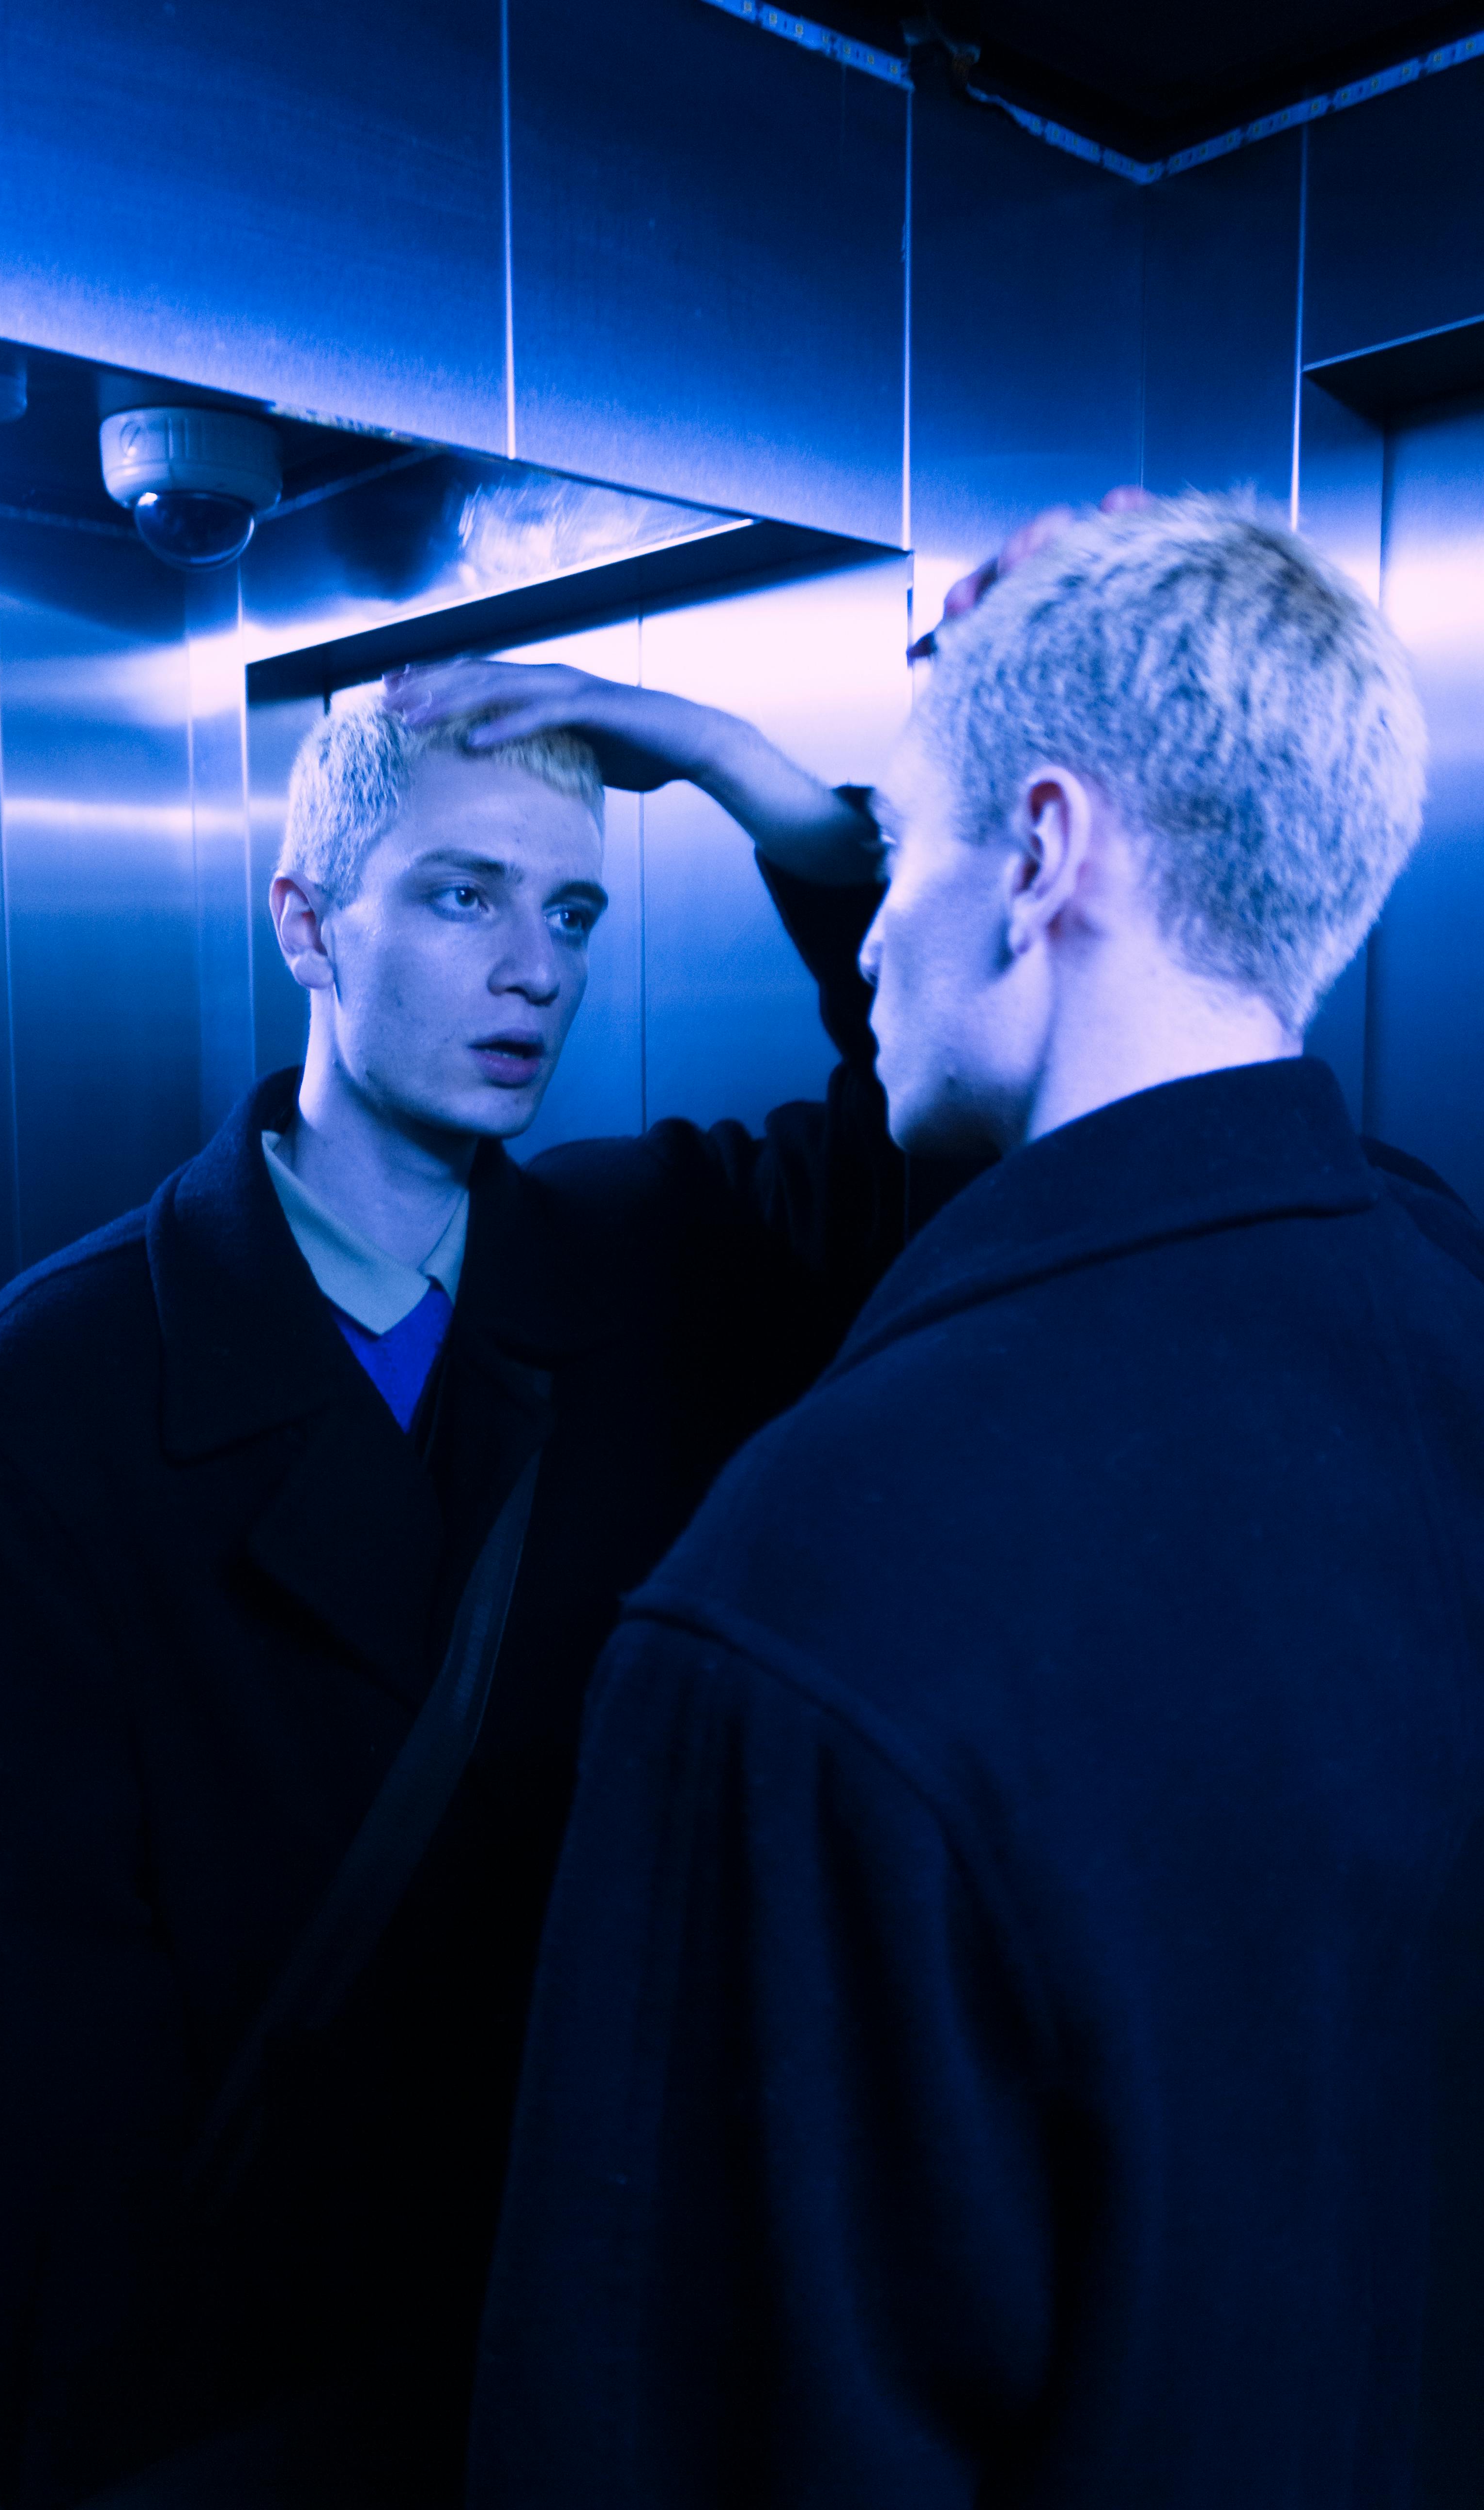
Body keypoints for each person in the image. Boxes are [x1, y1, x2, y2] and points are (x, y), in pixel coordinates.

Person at [469, 495, 1484, 2510]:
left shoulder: (806, 1596)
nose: (867, 926)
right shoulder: (1450, 1323)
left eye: (907, 845)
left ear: (1036, 857)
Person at [0, 659, 984, 2510]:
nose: (536, 967)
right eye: (463, 895)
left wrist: (755, 785)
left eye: (571, 911)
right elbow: (27, 2073)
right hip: (249, 2390)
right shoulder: (51, 1397)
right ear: (305, 925)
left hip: (595, 2307)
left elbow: (940, 1157)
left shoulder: (650, 1269)